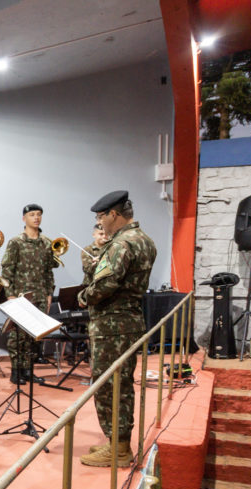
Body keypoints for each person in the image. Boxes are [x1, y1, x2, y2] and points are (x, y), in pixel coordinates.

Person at [78, 190, 156, 467]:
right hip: (129, 320)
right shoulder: (145, 240)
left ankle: (119, 448)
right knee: (121, 385)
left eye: (102, 217)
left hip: (112, 324)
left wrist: (83, 296)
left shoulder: (122, 243)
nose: (101, 224)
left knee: (108, 386)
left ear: (114, 214)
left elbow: (105, 284)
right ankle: (118, 442)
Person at [1, 204, 57, 385]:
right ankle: (16, 371)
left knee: (35, 336)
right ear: (24, 218)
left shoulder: (47, 243)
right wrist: (9, 295)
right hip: (20, 295)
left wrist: (49, 294)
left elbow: (49, 271)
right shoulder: (16, 242)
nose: (36, 218)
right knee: (18, 336)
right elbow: (7, 270)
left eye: (39, 214)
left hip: (40, 294)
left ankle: (28, 370)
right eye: (32, 215)